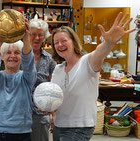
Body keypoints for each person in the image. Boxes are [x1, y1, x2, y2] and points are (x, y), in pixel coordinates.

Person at [50, 12, 136, 141]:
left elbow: (99, 53)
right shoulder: (58, 69)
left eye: (64, 41)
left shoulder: (87, 62)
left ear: (73, 42)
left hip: (80, 126)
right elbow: (56, 96)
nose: (60, 45)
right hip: (59, 124)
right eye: (56, 42)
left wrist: (108, 43)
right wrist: (49, 108)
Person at [0, 18, 37, 141]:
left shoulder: (27, 78)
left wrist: (26, 40)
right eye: (8, 52)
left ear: (22, 56)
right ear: (2, 57)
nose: (12, 56)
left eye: (17, 53)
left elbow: (29, 63)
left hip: (22, 133)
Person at [29, 19, 56, 141]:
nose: (37, 38)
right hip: (19, 112)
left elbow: (53, 87)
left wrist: (53, 113)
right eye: (33, 34)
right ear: (27, 35)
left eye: (40, 35)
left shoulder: (49, 59)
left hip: (41, 113)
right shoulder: (17, 55)